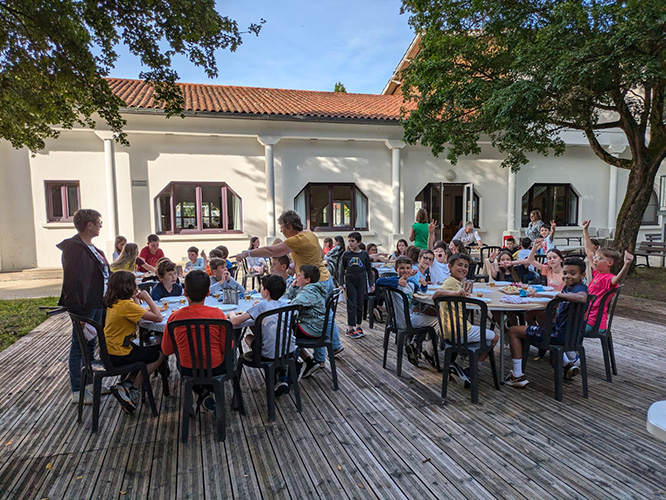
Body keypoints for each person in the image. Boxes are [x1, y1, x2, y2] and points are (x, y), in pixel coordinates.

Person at [233, 210, 343, 365]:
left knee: (317, 315)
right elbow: (320, 255)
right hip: (325, 277)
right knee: (324, 313)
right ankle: (328, 352)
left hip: (314, 282)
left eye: (282, 227)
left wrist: (247, 253)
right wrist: (298, 265)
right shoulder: (309, 234)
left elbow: (272, 250)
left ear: (290, 226)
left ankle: (319, 359)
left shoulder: (296, 240)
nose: (281, 231)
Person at [504, 257, 589, 387]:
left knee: (513, 330)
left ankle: (516, 375)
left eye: (573, 273)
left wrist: (561, 296)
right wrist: (541, 295)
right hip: (572, 336)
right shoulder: (570, 288)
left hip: (558, 336)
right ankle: (566, 364)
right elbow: (558, 296)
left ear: (583, 275)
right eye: (565, 273)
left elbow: (582, 297)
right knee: (540, 317)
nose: (568, 276)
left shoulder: (579, 288)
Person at [57, 208, 110, 404]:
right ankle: (77, 390)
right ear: (89, 225)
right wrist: (76, 313)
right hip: (84, 306)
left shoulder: (92, 248)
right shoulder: (74, 248)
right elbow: (71, 282)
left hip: (97, 303)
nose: (100, 226)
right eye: (99, 222)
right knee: (79, 346)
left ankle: (89, 385)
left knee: (89, 345)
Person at [162, 270, 228, 416]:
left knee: (190, 367)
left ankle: (203, 393)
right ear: (208, 293)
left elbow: (166, 350)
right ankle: (206, 393)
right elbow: (227, 348)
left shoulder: (174, 318)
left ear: (185, 292)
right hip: (216, 367)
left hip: (187, 369)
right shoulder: (218, 314)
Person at [103, 271, 164, 414]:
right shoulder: (126, 306)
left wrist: (137, 299)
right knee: (159, 355)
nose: (136, 288)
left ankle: (126, 384)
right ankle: (133, 389)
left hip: (111, 350)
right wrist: (148, 299)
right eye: (134, 285)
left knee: (142, 353)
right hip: (120, 354)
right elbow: (158, 318)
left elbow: (139, 312)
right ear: (127, 287)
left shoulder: (116, 303)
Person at [434, 253, 499, 383]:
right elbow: (436, 294)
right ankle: (474, 370)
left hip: (449, 331)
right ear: (450, 267)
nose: (463, 268)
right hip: (460, 331)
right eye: (459, 265)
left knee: (476, 337)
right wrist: (456, 293)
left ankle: (457, 366)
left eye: (466, 266)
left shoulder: (457, 282)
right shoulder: (451, 281)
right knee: (495, 337)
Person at [230, 275, 295, 397]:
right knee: (276, 337)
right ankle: (282, 375)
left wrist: (232, 313)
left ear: (266, 291)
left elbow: (235, 322)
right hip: (289, 350)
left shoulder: (261, 306)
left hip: (268, 354)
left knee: (248, 337)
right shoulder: (287, 305)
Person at [376, 256, 439, 368]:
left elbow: (419, 290)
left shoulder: (410, 283)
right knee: (439, 322)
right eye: (401, 268)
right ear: (396, 269)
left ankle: (414, 345)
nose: (404, 270)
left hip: (411, 316)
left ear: (411, 269)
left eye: (407, 268)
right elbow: (379, 281)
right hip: (403, 320)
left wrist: (424, 285)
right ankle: (428, 352)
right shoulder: (394, 283)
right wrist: (397, 281)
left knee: (427, 315)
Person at [582, 220, 633, 333]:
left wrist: (626, 265)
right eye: (595, 258)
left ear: (609, 263)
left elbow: (617, 279)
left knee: (566, 326)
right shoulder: (597, 273)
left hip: (594, 323)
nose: (594, 260)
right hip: (588, 318)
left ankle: (569, 349)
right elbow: (589, 251)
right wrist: (585, 230)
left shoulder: (608, 278)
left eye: (598, 258)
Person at [289, 265, 329, 378]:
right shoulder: (310, 288)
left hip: (312, 328)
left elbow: (292, 305)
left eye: (299, 275)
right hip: (315, 325)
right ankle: (309, 362)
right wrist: (293, 287)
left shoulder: (309, 291)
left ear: (307, 280)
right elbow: (290, 298)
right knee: (286, 331)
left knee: (281, 332)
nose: (296, 278)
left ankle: (293, 366)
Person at [339, 232, 375, 339]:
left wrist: (371, 284)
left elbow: (369, 270)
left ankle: (359, 326)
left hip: (361, 280)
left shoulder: (364, 255)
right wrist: (341, 283)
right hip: (350, 280)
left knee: (360, 303)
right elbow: (342, 270)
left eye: (353, 241)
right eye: (349, 241)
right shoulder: (346, 255)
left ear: (359, 242)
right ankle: (350, 327)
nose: (350, 243)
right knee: (352, 304)